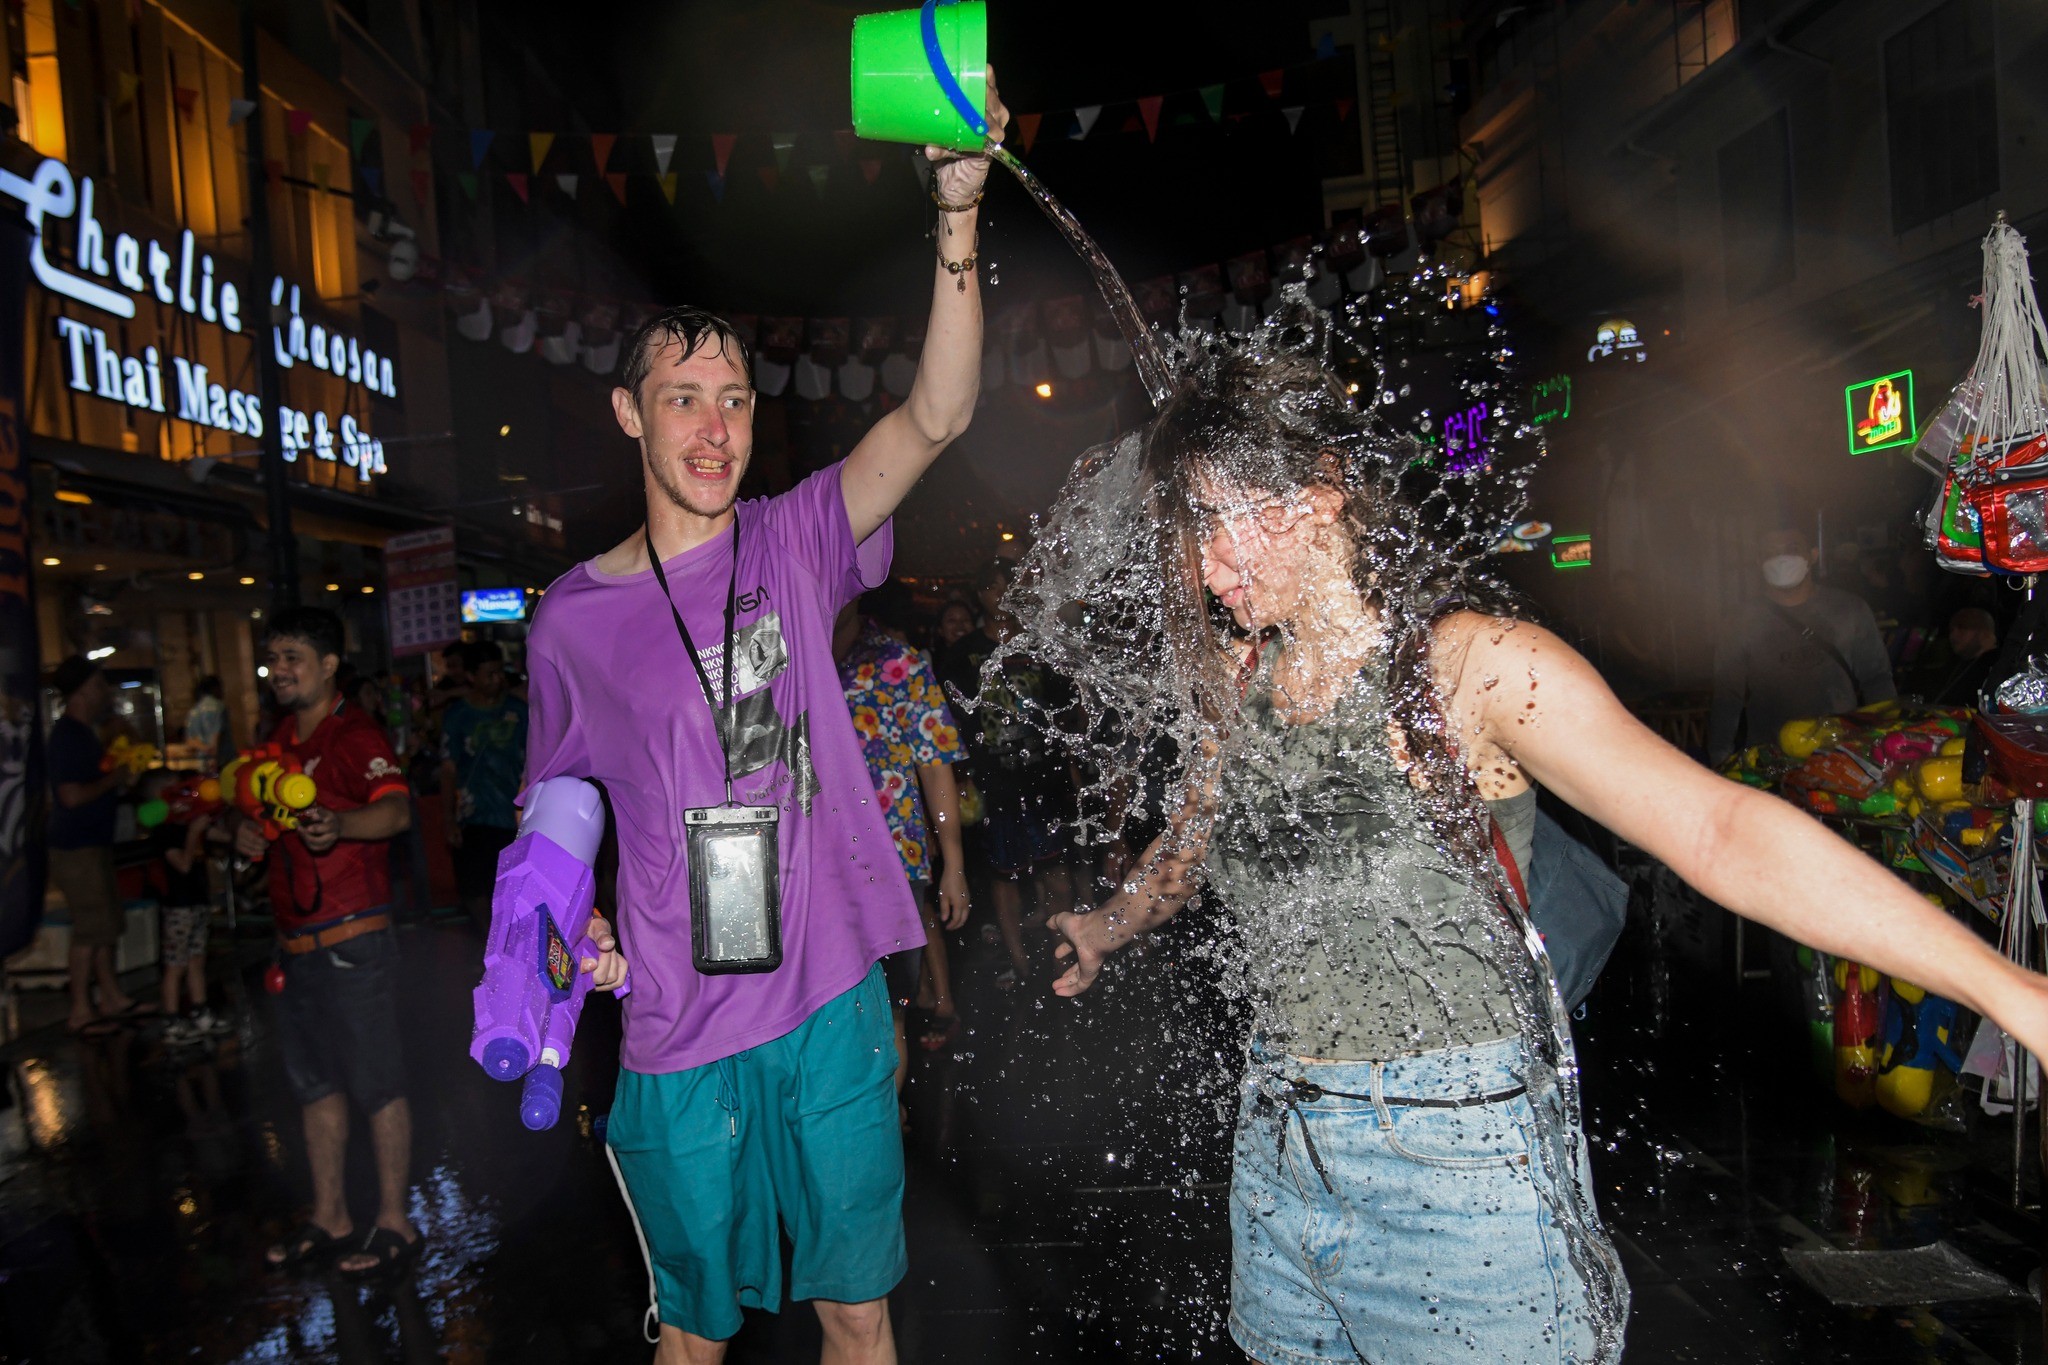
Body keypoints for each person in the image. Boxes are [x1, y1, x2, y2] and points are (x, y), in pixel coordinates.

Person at [1038, 353, 2048, 1364]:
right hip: (1277, 1156)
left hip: (1451, 1169)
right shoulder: (1240, 674)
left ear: (1322, 493)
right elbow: (1191, 839)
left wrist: (2009, 995)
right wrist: (1105, 924)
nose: (1206, 566)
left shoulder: (1474, 664)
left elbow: (1718, 830)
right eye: (1192, 528)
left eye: (1225, 520)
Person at [530, 77, 1005, 1365]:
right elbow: (555, 812)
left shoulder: (798, 537)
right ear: (631, 414)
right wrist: (577, 926)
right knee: (692, 1335)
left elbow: (937, 413)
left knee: (858, 1313)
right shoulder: (571, 620)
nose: (715, 423)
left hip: (830, 1000)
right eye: (683, 396)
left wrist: (953, 213)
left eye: (735, 397)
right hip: (679, 1023)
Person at [243, 608, 422, 1280]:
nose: (280, 669)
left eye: (293, 655)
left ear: (327, 666)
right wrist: (248, 841)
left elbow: (399, 809)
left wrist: (340, 823)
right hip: (295, 946)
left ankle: (396, 1220)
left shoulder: (354, 733)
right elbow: (267, 825)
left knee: (377, 1083)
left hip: (354, 941)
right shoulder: (278, 740)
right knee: (314, 1086)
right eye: (273, 658)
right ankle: (331, 1214)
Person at [833, 599, 971, 1078]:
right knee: (817, 1023)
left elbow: (936, 764)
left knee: (888, 1013)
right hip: (802, 867)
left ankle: (882, 1136)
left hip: (890, 862)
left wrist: (953, 863)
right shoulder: (778, 655)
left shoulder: (899, 662)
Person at [937, 559, 1075, 987]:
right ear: (981, 594)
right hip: (994, 782)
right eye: (994, 587)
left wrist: (1071, 767)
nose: (1003, 595)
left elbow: (1064, 711)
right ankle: (1020, 962)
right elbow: (951, 721)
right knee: (1005, 874)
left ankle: (1063, 956)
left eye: (1010, 585)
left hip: (1045, 777)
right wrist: (960, 775)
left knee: (1055, 869)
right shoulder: (962, 655)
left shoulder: (1039, 645)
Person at [1707, 526, 1896, 763]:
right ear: (1759, 561)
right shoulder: (1740, 622)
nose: (1781, 558)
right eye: (1770, 552)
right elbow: (1727, 697)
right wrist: (1719, 760)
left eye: (1791, 549)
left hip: (1841, 754)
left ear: (1813, 556)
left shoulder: (1849, 610)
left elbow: (1877, 680)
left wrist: (1887, 745)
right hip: (1769, 757)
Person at [46, 656, 144, 1036]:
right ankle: (81, 1010)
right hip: (75, 846)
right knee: (90, 927)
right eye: (101, 685)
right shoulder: (68, 735)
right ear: (85, 689)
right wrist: (113, 779)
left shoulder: (85, 732)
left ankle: (110, 996)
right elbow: (70, 796)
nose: (106, 692)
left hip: (91, 841)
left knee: (104, 924)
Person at [438, 641, 528, 928]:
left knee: (515, 892)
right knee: (474, 892)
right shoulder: (457, 716)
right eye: (489, 673)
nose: (497, 680)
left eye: (500, 672)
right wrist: (448, 819)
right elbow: (448, 769)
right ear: (471, 677)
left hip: (513, 815)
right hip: (473, 816)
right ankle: (490, 946)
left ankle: (508, 949)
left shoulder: (519, 711)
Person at [140, 771, 231, 1041]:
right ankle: (170, 1019)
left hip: (197, 902)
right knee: (175, 965)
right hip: (178, 907)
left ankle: (200, 1012)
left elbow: (223, 837)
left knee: (196, 961)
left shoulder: (185, 824)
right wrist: (193, 833)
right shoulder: (165, 832)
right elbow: (182, 864)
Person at [1920, 606, 1998, 707]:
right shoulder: (1955, 664)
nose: (1953, 635)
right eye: (1951, 630)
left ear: (1984, 633)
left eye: (1962, 628)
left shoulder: (1996, 666)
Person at [183, 675, 229, 769]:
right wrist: (213, 757)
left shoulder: (194, 710)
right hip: (220, 762)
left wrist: (204, 748)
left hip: (202, 764)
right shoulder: (218, 707)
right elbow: (216, 735)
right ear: (215, 688)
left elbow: (190, 741)